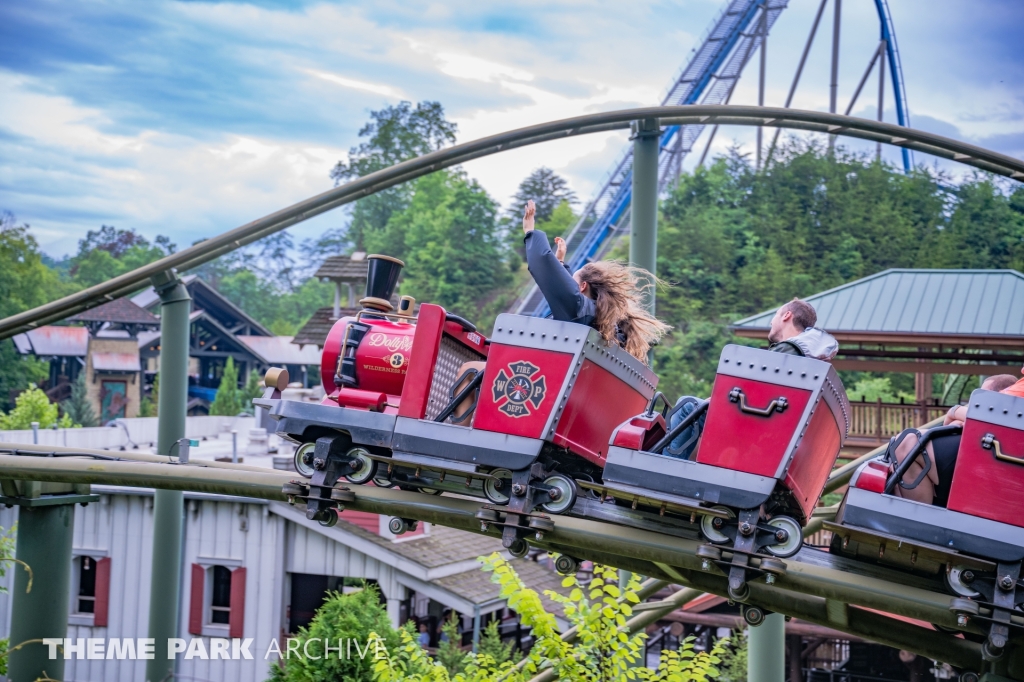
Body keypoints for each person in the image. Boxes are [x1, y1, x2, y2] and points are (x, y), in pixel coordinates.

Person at [450, 200, 670, 421]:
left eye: (572, 279)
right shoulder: (606, 325)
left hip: (542, 389)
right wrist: (562, 264)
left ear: (582, 287)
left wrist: (530, 231)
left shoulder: (581, 310)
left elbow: (547, 269)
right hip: (566, 393)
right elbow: (566, 292)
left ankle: (458, 434)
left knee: (469, 370)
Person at [664, 298, 838, 459]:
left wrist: (719, 400)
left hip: (754, 421)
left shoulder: (787, 352)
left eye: (775, 315)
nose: (772, 321)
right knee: (696, 405)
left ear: (786, 315)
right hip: (773, 425)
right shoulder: (813, 357)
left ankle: (665, 464)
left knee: (687, 406)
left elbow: (757, 391)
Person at [900, 374, 1018, 507]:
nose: (976, 404)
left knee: (909, 444)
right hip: (989, 465)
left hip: (982, 467)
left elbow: (984, 419)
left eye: (984, 396)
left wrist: (955, 411)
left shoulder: (1011, 401)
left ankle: (919, 514)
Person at [943, 374, 1018, 426]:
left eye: (984, 394)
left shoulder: (989, 418)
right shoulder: (1015, 420)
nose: (980, 398)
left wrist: (955, 411)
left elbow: (950, 416)